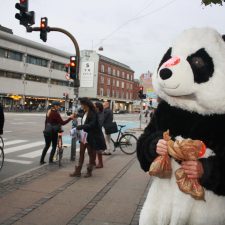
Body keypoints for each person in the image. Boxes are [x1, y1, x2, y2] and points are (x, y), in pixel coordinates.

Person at [70, 98, 106, 177]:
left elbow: (91, 125)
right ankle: (78, 171)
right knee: (81, 153)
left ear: (86, 105)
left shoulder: (93, 113)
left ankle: (89, 171)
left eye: (82, 104)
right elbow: (84, 118)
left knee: (91, 154)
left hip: (91, 137)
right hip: (84, 136)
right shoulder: (85, 112)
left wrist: (79, 127)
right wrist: (77, 115)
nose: (81, 106)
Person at [94, 102, 106, 168]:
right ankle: (94, 162)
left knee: (98, 149)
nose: (93, 107)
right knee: (95, 149)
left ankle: (100, 163)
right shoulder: (97, 113)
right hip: (95, 133)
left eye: (94, 106)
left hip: (98, 134)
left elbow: (99, 124)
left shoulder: (101, 114)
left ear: (98, 107)